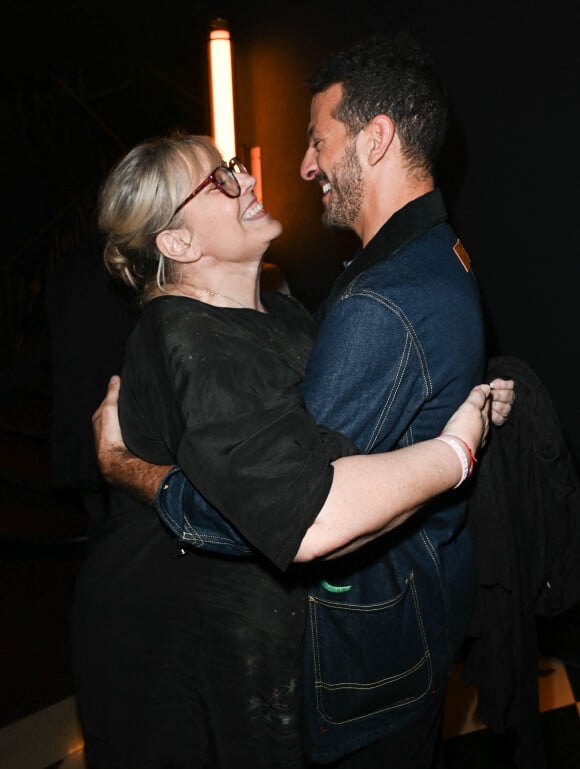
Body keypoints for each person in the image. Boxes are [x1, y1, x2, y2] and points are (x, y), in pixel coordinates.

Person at [87, 32, 514, 769]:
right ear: (179, 244)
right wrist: (455, 448)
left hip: (277, 659)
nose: (256, 177)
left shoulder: (287, 306)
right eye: (222, 180)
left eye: (232, 170)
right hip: (188, 666)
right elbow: (304, 511)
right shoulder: (187, 340)